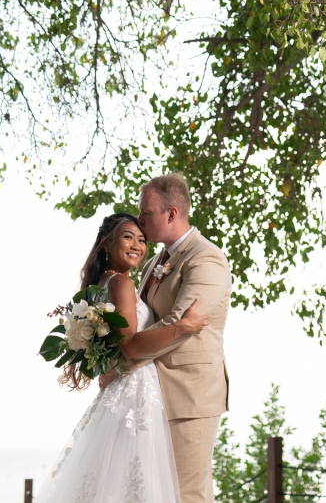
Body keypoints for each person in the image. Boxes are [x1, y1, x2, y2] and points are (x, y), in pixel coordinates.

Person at [36, 212, 210, 503]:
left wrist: (111, 367)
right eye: (128, 237)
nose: (137, 246)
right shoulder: (122, 284)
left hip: (122, 387)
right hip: (136, 392)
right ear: (106, 244)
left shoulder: (100, 285)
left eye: (142, 240)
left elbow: (115, 346)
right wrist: (183, 326)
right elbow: (129, 345)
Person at [99, 173, 231, 503]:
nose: (140, 220)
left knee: (187, 495)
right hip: (151, 396)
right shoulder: (156, 260)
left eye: (146, 213)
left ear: (171, 213)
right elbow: (139, 322)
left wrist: (124, 360)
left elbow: (179, 324)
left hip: (189, 394)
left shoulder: (206, 257)